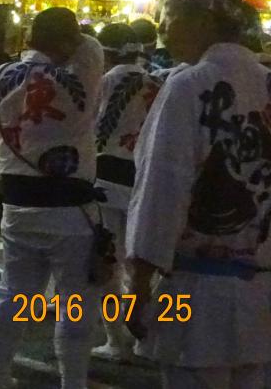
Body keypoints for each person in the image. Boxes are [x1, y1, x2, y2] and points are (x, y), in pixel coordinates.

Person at [127, 0, 271, 388]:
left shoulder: (189, 85)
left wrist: (137, 284)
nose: (163, 29)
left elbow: (162, 189)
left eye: (170, 15)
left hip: (195, 291)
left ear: (204, 21)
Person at [0, 6, 102, 389]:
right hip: (70, 210)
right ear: (67, 42)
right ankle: (73, 381)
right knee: (75, 300)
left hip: (17, 204)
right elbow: (91, 45)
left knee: (13, 293)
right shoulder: (80, 76)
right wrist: (73, 36)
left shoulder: (0, 75)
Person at [90, 21, 165, 363]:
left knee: (111, 260)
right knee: (144, 260)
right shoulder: (158, 80)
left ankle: (116, 338)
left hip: (106, 175)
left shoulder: (104, 81)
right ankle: (146, 337)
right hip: (145, 176)